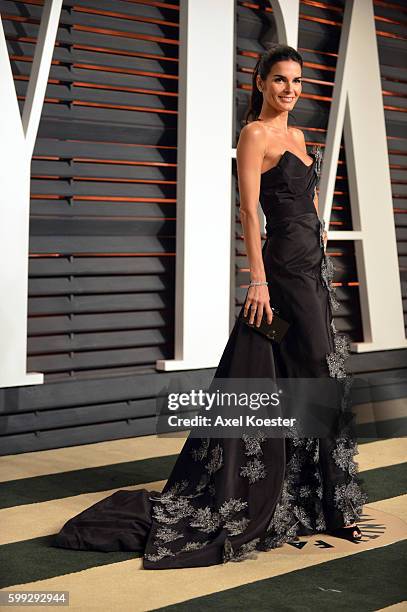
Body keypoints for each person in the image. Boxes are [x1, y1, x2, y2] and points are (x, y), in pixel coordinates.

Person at [52, 44, 368, 569]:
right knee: (316, 375)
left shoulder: (298, 136)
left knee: (308, 378)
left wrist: (321, 244)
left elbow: (308, 202)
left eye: (296, 81)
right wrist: (259, 280)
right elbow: (248, 209)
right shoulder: (255, 135)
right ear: (261, 82)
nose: (290, 89)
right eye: (280, 80)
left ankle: (316, 500)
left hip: (312, 269)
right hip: (283, 273)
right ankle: (332, 506)